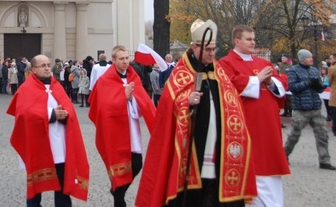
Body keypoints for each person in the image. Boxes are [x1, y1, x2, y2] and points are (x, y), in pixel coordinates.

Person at [136, 19, 257, 207]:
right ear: (194, 47)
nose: (211, 54)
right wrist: (185, 102)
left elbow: (232, 104)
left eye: (214, 49)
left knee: (214, 188)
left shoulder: (220, 73)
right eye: (207, 50)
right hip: (192, 145)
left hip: (218, 143)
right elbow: (168, 105)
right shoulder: (181, 73)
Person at [219, 25, 290, 207]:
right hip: (247, 125)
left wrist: (269, 81)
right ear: (237, 41)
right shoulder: (226, 63)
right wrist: (256, 80)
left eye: (253, 39)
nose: (253, 42)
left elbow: (281, 84)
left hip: (270, 126)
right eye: (248, 39)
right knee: (253, 166)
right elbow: (227, 87)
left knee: (270, 166)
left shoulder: (263, 63)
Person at [7, 54, 89, 206]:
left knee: (63, 187)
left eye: (48, 65)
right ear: (33, 70)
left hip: (60, 146)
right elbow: (24, 115)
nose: (46, 68)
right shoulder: (26, 89)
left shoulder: (56, 86)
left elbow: (69, 109)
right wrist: (52, 114)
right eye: (42, 66)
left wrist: (64, 115)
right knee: (35, 191)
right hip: (38, 145)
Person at [89, 45, 155, 206]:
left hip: (132, 128)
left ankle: (118, 192)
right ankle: (119, 200)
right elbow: (103, 107)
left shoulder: (134, 77)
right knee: (119, 167)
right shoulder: (105, 81)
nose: (125, 62)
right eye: (121, 59)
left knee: (137, 163)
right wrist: (122, 98)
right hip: (115, 131)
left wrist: (132, 99)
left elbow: (144, 104)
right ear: (113, 60)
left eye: (127, 58)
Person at [283, 49, 336, 170]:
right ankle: (284, 154)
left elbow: (319, 89)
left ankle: (324, 160)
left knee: (322, 134)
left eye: (311, 57)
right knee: (294, 135)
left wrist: (320, 86)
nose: (311, 59)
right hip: (301, 108)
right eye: (308, 58)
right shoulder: (293, 70)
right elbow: (293, 88)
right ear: (302, 59)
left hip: (315, 107)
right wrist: (307, 83)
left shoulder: (314, 70)